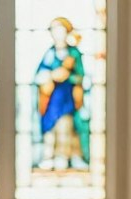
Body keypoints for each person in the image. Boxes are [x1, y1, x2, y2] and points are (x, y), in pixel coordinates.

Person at [34, 16, 90, 171]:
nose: (58, 34)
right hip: (51, 99)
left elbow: (80, 76)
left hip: (68, 98)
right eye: (55, 31)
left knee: (66, 126)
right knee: (50, 127)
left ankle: (64, 156)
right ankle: (49, 156)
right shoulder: (50, 53)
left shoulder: (73, 53)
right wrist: (52, 76)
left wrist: (68, 76)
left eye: (61, 31)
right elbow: (40, 74)